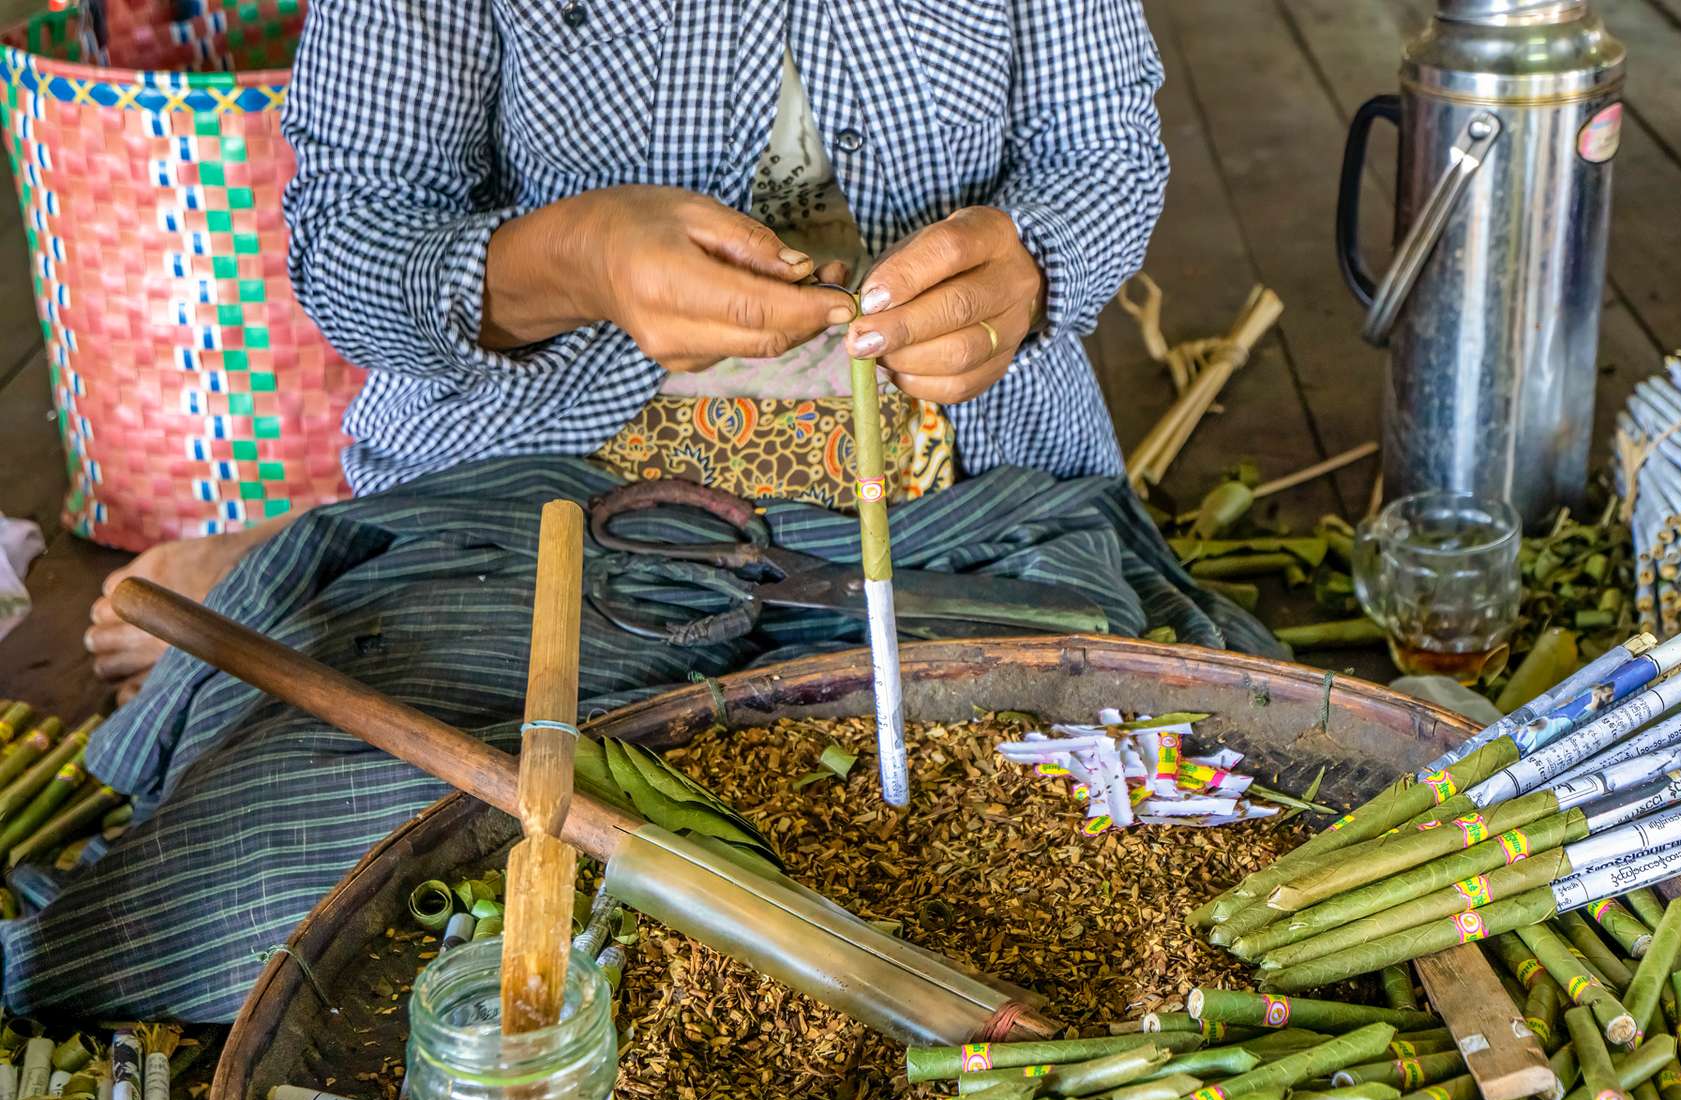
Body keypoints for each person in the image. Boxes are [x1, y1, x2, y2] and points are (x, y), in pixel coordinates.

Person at [82, 0, 1171, 702]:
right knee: (369, 840)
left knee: (1082, 786)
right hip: (547, 502)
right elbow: (349, 242)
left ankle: (311, 559)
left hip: (955, 499)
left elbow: (1107, 151)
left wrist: (1029, 270)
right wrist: (579, 261)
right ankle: (333, 555)